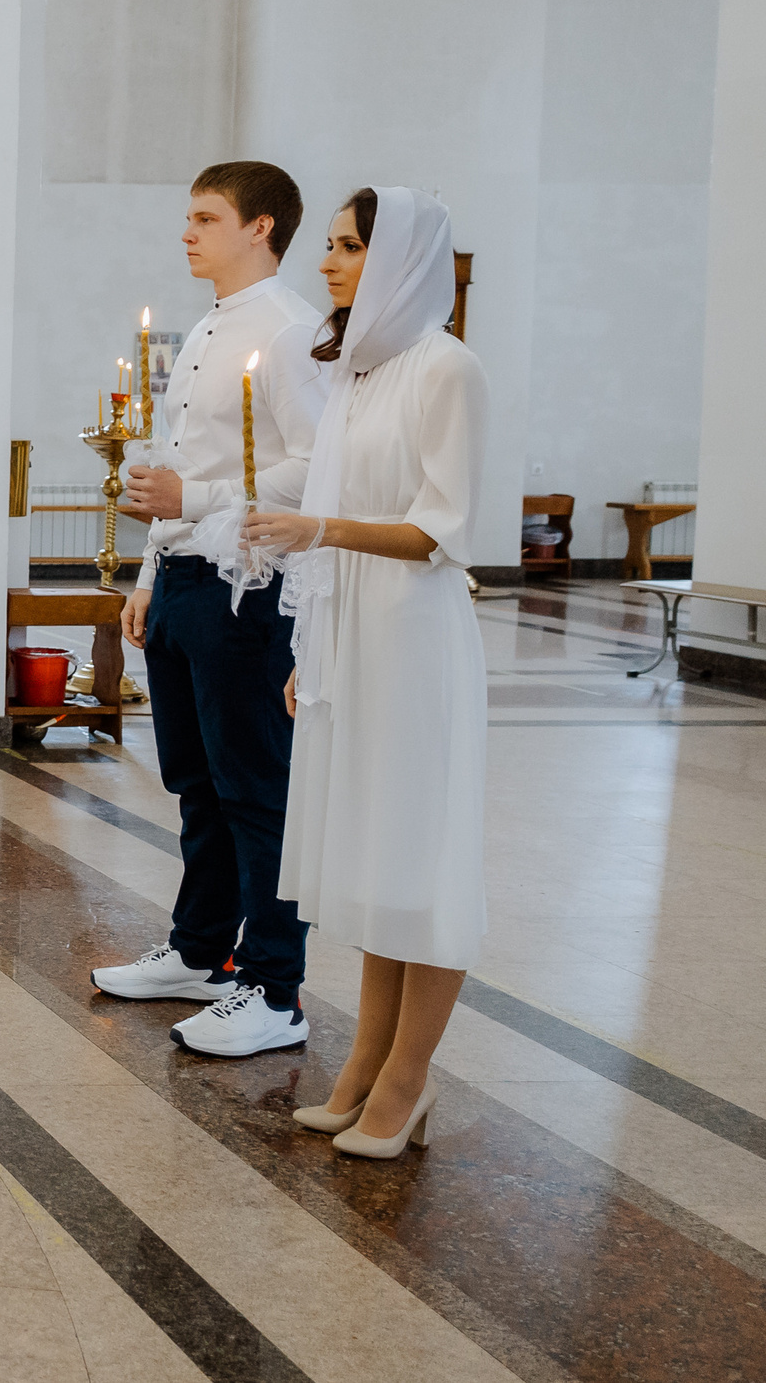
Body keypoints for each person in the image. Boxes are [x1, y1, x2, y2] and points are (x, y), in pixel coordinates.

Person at [243, 187, 486, 1159]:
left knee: (421, 862)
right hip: (356, 634)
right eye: (334, 244)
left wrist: (320, 528)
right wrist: (313, 652)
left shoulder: (445, 369)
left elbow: (444, 526)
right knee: (380, 854)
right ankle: (367, 1062)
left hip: (417, 636)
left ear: (399, 258)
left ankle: (406, 1076)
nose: (329, 261)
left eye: (347, 246)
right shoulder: (357, 368)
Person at [90, 162, 330, 1057]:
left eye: (206, 217)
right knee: (194, 783)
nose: (187, 232)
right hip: (187, 581)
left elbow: (313, 470)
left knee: (254, 789)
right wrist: (151, 574)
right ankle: (199, 952)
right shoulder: (206, 328)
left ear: (261, 227)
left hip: (249, 587)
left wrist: (190, 495)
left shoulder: (294, 332)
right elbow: (172, 469)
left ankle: (275, 988)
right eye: (187, 216)